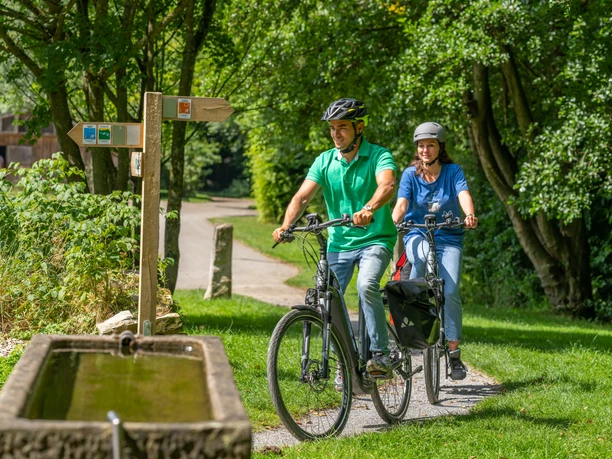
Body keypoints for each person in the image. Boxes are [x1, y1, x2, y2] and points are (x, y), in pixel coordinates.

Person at [273, 98, 397, 378]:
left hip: (375, 239)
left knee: (366, 285)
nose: (336, 133)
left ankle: (380, 354)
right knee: (325, 299)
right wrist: (286, 225)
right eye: (332, 128)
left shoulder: (379, 155)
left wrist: (369, 209)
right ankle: (345, 362)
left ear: (359, 128)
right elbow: (303, 196)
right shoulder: (325, 160)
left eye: (342, 127)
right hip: (339, 244)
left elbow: (387, 185)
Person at [391, 122, 478, 380]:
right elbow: (402, 202)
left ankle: (453, 354)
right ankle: (415, 329)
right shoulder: (410, 174)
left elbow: (463, 193)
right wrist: (395, 220)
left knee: (450, 292)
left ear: (440, 147)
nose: (425, 149)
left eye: (430, 145)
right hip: (418, 232)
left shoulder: (453, 171)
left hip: (449, 237)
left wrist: (469, 214)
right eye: (421, 145)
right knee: (417, 263)